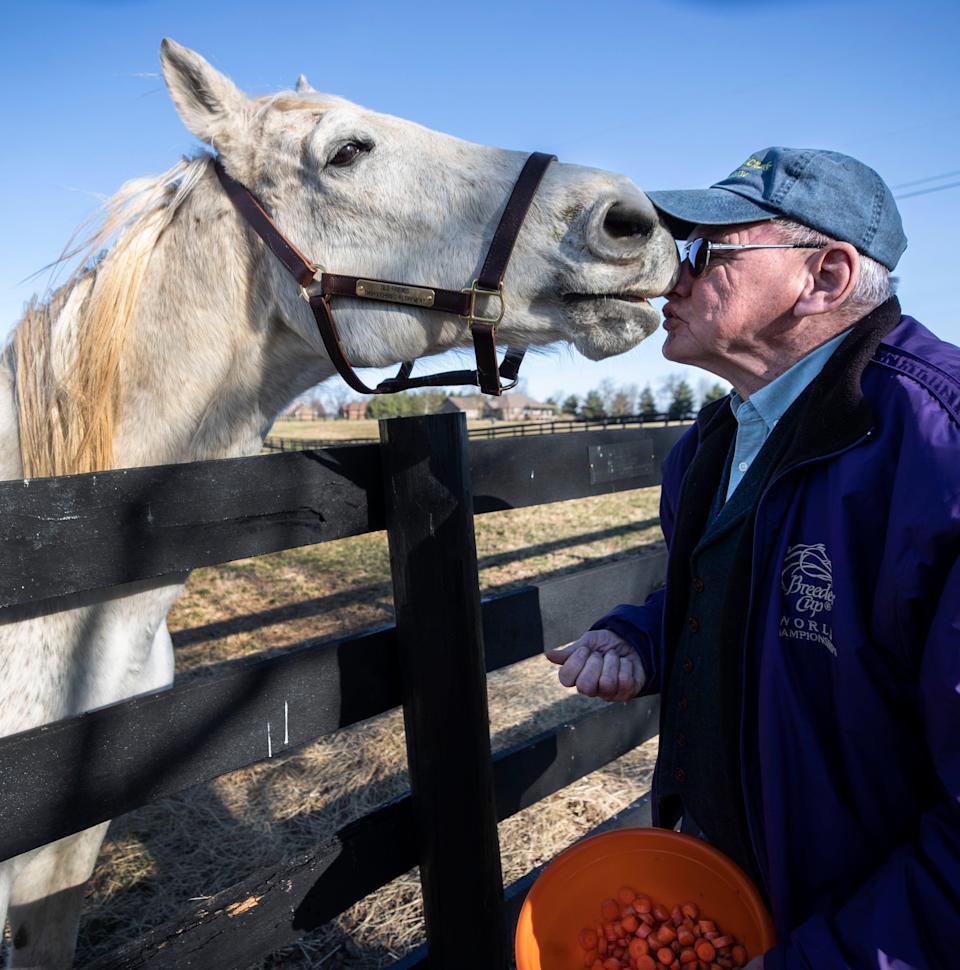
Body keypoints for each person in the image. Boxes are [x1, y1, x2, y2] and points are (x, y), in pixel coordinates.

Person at [547, 147, 960, 970]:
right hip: (733, 895)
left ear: (827, 277)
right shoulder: (714, 441)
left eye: (704, 252)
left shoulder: (940, 455)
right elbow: (739, 594)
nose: (670, 278)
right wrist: (642, 633)